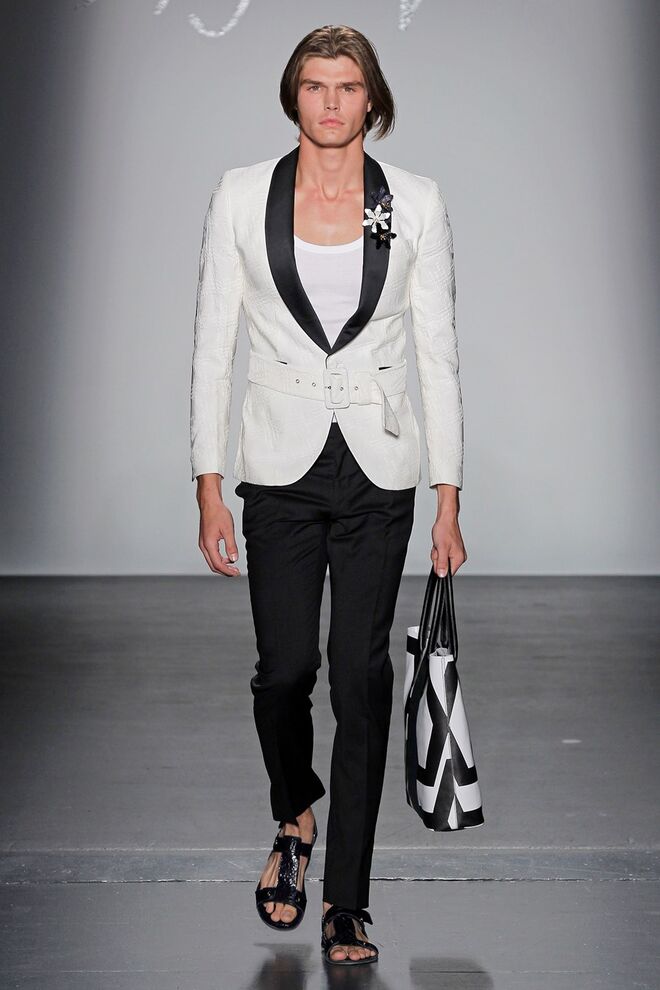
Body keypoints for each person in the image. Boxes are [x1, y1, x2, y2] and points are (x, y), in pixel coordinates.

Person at [189, 23, 467, 966]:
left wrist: (449, 494)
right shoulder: (241, 196)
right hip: (277, 464)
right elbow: (212, 347)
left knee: (359, 677)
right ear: (294, 96)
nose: (332, 102)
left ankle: (347, 898)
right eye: (316, 86)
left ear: (371, 99)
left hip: (379, 467)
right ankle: (293, 814)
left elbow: (437, 353)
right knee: (283, 671)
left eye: (348, 86)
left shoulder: (414, 202)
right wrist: (208, 484)